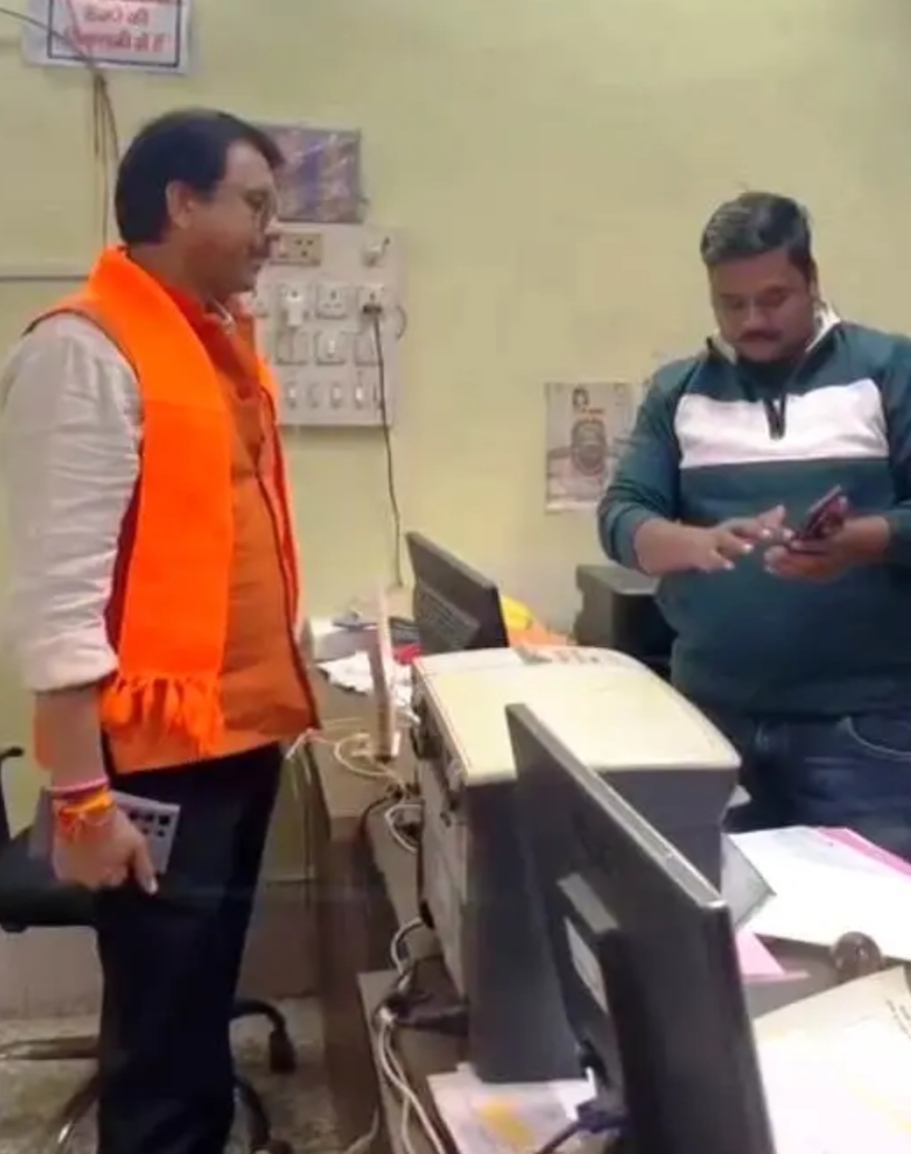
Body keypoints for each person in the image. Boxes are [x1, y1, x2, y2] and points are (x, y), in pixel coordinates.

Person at [0, 109, 319, 1154]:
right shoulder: (85, 351)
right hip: (152, 764)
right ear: (182, 204)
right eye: (254, 203)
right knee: (161, 1041)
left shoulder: (211, 345)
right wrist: (82, 799)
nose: (272, 227)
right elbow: (58, 595)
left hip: (232, 738)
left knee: (193, 1012)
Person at [599, 190, 911, 860]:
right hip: (711, 722)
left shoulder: (889, 370)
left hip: (864, 732)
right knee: (719, 914)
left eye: (773, 300)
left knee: (872, 917)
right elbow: (621, 513)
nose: (752, 321)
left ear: (811, 279)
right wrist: (690, 544)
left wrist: (858, 542)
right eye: (730, 304)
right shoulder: (678, 390)